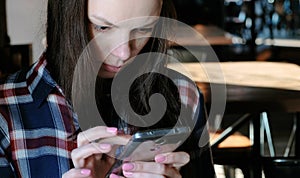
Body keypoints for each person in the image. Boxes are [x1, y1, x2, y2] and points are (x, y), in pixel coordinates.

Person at [0, 0, 215, 177]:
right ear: (64, 18)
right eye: (102, 27)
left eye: (143, 28)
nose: (123, 52)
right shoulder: (5, 114)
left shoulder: (183, 94)